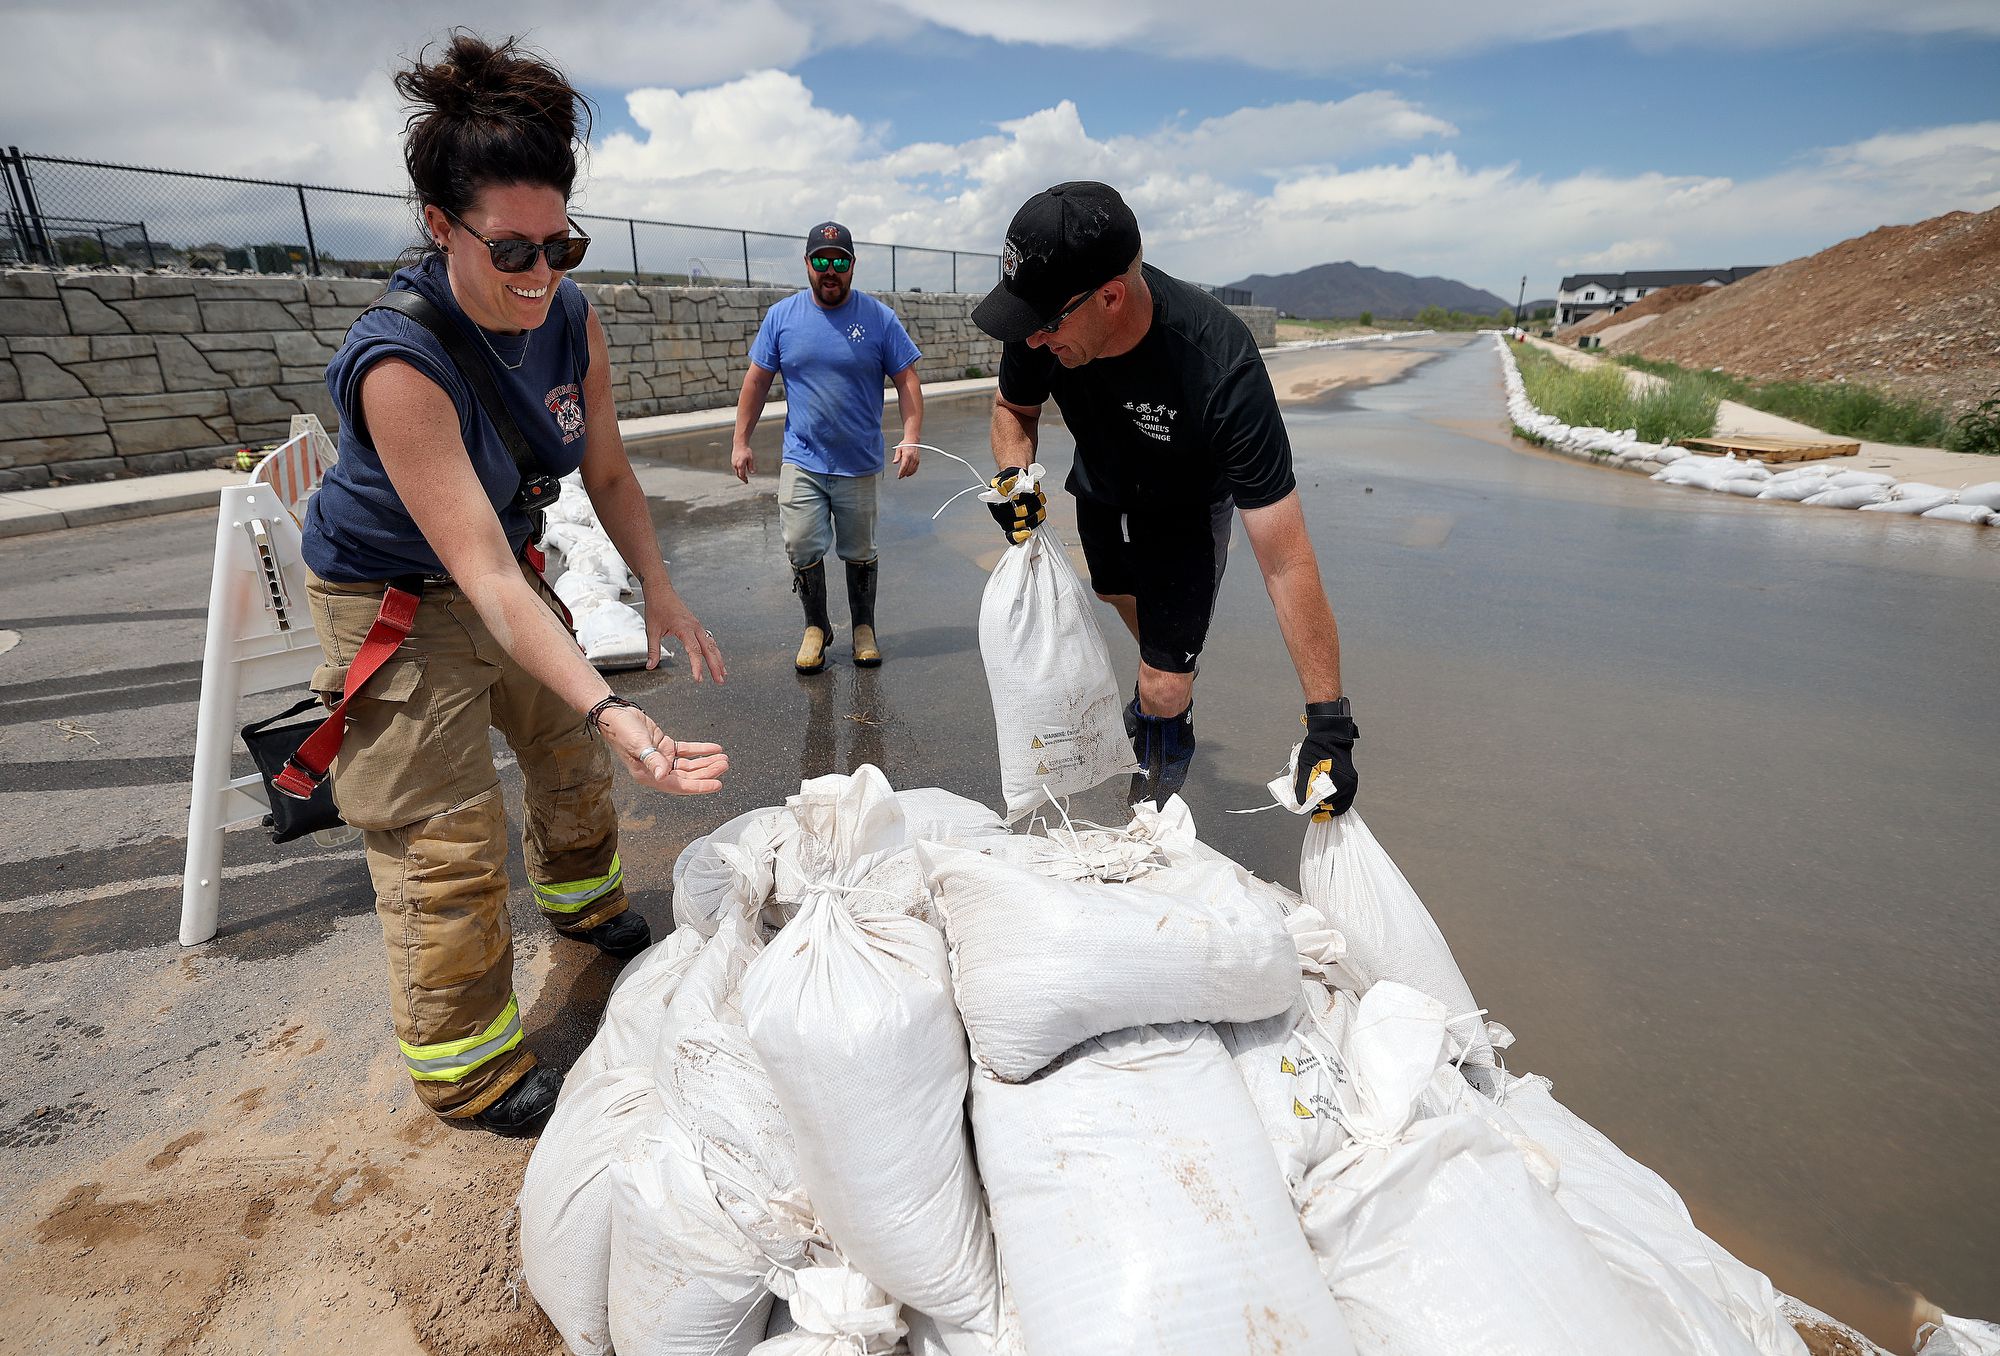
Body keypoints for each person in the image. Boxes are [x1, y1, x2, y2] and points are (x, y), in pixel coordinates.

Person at [298, 33, 729, 1135]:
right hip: (398, 595)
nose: (540, 276)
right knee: (443, 837)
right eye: (512, 252)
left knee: (567, 754)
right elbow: (482, 580)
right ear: (441, 227)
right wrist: (612, 695)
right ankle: (467, 1066)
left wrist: (659, 591)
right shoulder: (400, 362)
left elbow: (610, 469)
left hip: (501, 563)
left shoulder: (569, 316)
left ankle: (584, 906)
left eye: (561, 245)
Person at [972, 181, 1358, 817]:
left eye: (1043, 326)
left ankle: (1150, 793)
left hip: (1182, 509)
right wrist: (1015, 480)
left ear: (1111, 297)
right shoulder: (1042, 320)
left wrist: (1329, 725)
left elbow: (1287, 561)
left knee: (1162, 681)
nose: (1032, 342)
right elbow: (1014, 407)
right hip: (1099, 487)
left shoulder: (1220, 367)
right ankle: (1162, 677)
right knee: (1113, 594)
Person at [730, 221, 924, 673]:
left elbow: (907, 379)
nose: (830, 270)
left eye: (839, 261)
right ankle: (816, 627)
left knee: (859, 549)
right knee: (800, 543)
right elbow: (757, 382)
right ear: (808, 265)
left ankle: (863, 628)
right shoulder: (782, 317)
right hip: (802, 458)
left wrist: (911, 437)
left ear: (852, 266)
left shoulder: (878, 318)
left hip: (857, 462)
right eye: (822, 261)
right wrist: (741, 441)